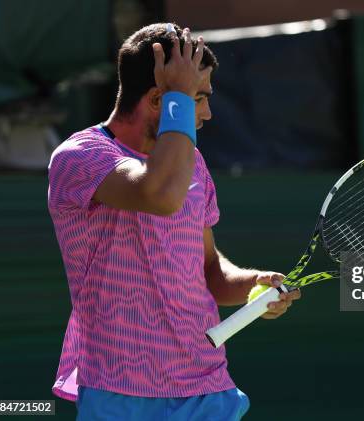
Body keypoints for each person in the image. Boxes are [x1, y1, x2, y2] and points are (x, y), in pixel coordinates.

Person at [47, 22, 301, 420]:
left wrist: (252, 282)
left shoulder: (192, 163)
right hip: (119, 392)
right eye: (198, 97)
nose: (208, 112)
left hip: (208, 390)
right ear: (157, 100)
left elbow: (210, 271)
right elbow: (159, 195)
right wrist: (178, 97)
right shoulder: (78, 156)